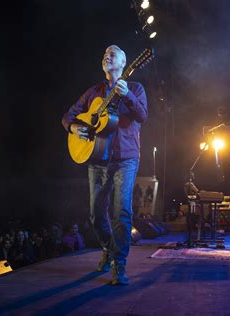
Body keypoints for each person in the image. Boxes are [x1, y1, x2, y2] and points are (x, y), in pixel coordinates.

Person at [62, 44, 147, 285]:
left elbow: (142, 116)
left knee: (122, 212)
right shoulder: (93, 92)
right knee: (95, 214)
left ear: (124, 62)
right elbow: (68, 115)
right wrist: (74, 126)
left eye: (112, 55)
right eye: (104, 55)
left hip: (126, 159)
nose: (107, 57)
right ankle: (109, 249)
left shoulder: (136, 88)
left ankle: (119, 264)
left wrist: (127, 95)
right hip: (98, 159)